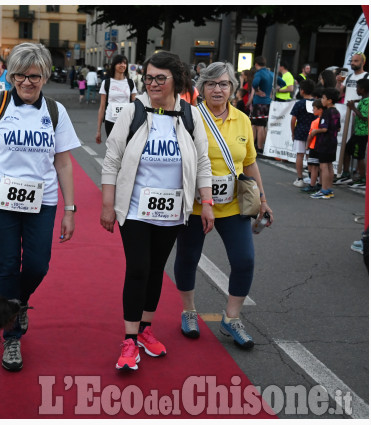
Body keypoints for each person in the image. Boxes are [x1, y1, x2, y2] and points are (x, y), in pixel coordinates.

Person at [0, 42, 80, 372]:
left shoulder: (55, 112)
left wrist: (70, 208)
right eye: (19, 75)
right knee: (7, 264)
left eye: (34, 76)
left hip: (42, 198)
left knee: (37, 265)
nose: (26, 82)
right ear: (10, 75)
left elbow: (63, 163)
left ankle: (18, 304)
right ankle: (12, 337)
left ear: (45, 76)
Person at [100, 51, 213, 371]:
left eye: (159, 78)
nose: (152, 84)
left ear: (176, 80)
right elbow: (112, 160)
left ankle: (146, 330)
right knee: (138, 268)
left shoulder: (191, 115)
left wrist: (207, 202)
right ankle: (129, 339)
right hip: (135, 209)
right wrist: (108, 206)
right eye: (148, 78)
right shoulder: (133, 112)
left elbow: (203, 162)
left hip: (173, 210)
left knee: (155, 270)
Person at [174, 62, 274, 350]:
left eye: (224, 84)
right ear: (201, 88)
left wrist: (263, 200)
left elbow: (250, 161)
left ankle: (232, 318)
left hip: (232, 205)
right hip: (194, 205)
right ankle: (189, 311)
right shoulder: (189, 117)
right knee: (187, 258)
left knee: (244, 260)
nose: (218, 89)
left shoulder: (242, 119)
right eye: (211, 84)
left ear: (233, 88)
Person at [96, 56, 137, 144]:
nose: (123, 65)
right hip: (110, 120)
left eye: (125, 63)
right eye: (120, 63)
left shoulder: (130, 83)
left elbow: (135, 105)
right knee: (113, 149)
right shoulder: (106, 83)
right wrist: (98, 130)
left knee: (126, 148)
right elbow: (102, 107)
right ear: (114, 65)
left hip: (127, 121)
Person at [308, 87, 341, 199]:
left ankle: (324, 190)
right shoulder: (336, 112)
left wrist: (315, 131)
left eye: (323, 98)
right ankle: (329, 189)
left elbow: (324, 128)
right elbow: (338, 128)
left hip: (325, 142)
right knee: (330, 165)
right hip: (333, 141)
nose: (322, 100)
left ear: (329, 100)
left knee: (323, 166)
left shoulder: (326, 113)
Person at [340, 78, 368, 187]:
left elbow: (365, 117)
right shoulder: (363, 99)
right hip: (357, 132)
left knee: (359, 156)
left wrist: (352, 108)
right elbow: (360, 101)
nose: (356, 89)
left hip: (362, 133)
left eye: (358, 88)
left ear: (363, 89)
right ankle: (346, 173)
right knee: (347, 150)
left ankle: (362, 179)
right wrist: (355, 102)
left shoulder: (367, 101)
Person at [290, 79, 316, 187]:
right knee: (310, 157)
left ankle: (300, 178)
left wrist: (293, 132)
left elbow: (293, 120)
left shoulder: (299, 103)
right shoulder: (316, 103)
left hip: (300, 132)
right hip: (313, 133)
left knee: (299, 155)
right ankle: (311, 178)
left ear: (302, 91)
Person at [249, 56, 275, 153]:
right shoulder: (271, 73)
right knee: (263, 126)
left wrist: (257, 90)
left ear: (256, 64)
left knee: (256, 125)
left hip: (259, 102)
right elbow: (282, 82)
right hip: (268, 102)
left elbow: (255, 83)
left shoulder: (259, 73)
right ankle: (261, 147)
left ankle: (256, 147)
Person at [301, 99, 324, 193]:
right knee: (321, 167)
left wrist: (307, 146)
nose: (313, 110)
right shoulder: (324, 121)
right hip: (322, 146)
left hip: (314, 146)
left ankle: (312, 185)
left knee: (313, 167)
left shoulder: (315, 122)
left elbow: (311, 135)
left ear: (320, 109)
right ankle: (320, 184)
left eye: (314, 108)